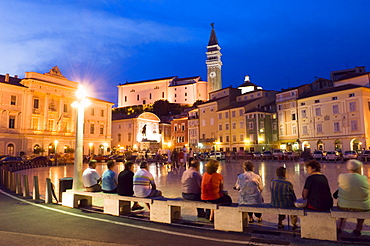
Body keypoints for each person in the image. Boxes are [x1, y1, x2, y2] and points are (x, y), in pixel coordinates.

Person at [336, 160, 370, 236]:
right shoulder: (364, 178)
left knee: (342, 204)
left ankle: (339, 227)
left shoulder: (342, 176)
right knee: (362, 203)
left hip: (344, 205)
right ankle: (358, 228)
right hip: (362, 207)